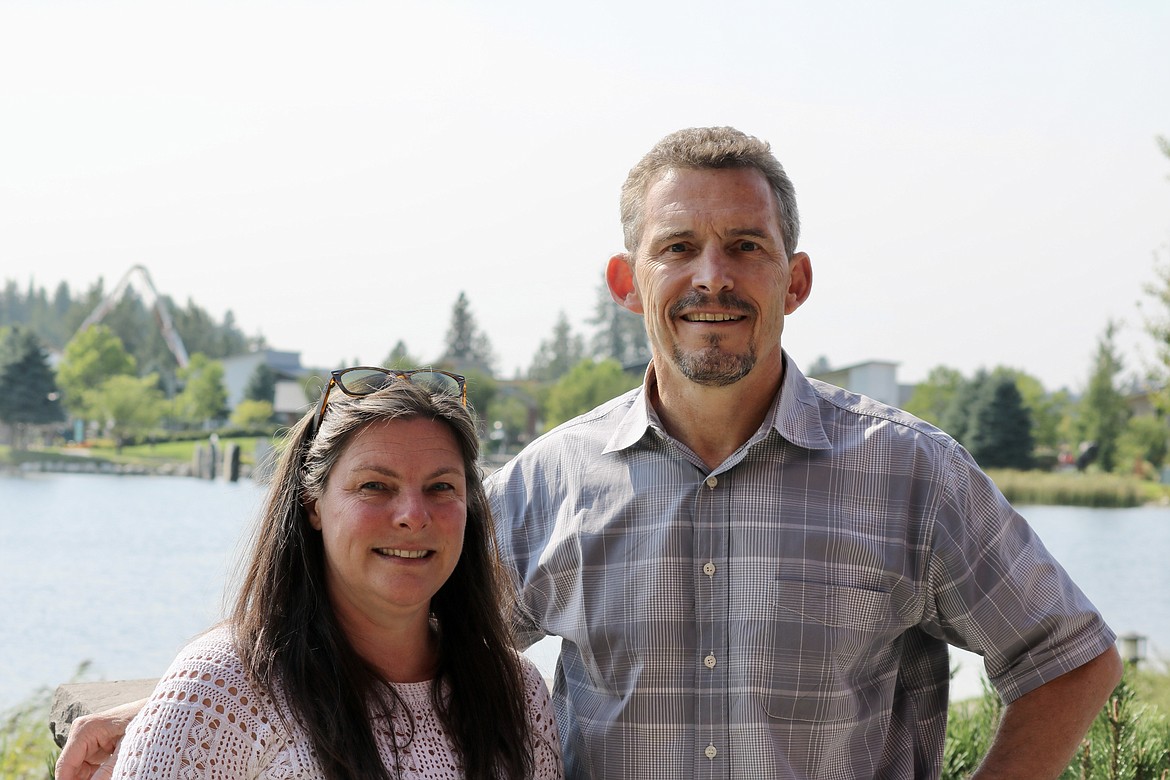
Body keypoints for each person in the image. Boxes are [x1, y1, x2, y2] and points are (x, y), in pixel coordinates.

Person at [60, 127, 1121, 779]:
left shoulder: (913, 474)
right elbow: (377, 613)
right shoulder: (549, 484)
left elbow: (1069, 655)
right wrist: (175, 705)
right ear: (630, 283)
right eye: (678, 248)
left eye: (746, 246)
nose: (713, 274)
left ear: (794, 280)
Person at [60, 371, 562, 780]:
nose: (413, 514)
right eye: (374, 486)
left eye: (440, 487)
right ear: (313, 505)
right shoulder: (221, 691)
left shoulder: (517, 694)